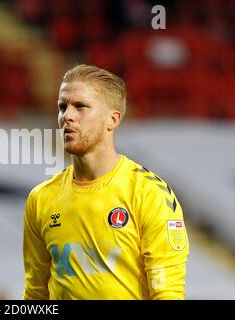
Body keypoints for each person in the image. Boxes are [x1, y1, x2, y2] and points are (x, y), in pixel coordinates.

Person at [22, 64, 189, 300]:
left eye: (80, 106)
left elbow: (168, 294)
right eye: (63, 106)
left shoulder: (149, 193)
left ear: (112, 119)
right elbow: (35, 294)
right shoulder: (41, 199)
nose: (67, 116)